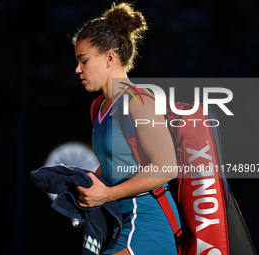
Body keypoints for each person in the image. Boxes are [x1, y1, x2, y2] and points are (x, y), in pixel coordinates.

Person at [72, 2, 181, 255]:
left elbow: (167, 166)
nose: (78, 69)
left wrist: (107, 194)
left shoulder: (139, 101)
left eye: (84, 61)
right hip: (117, 225)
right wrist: (86, 184)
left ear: (110, 57)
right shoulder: (98, 107)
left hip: (147, 224)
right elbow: (113, 163)